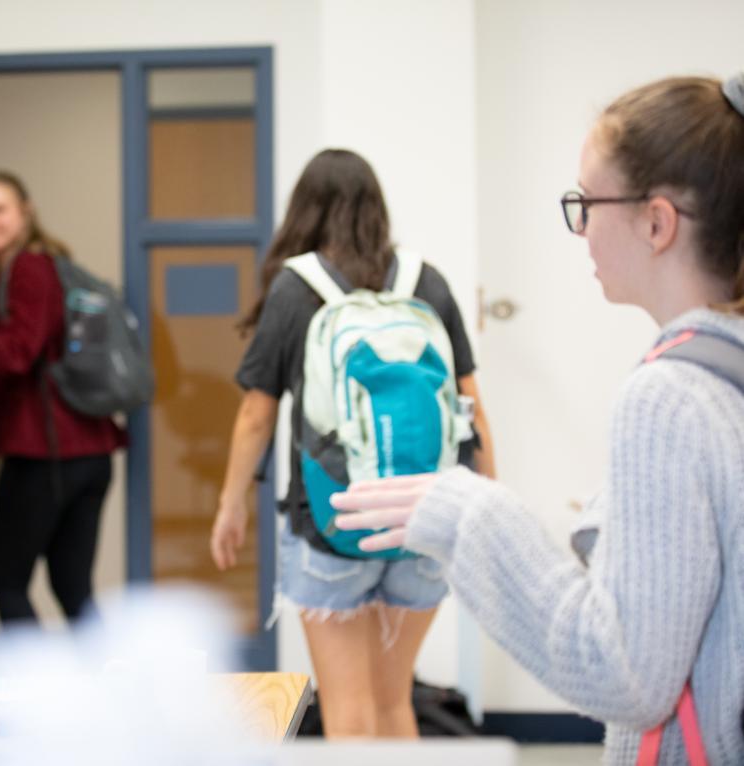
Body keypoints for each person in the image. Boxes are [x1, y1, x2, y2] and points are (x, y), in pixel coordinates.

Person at [330, 74, 744, 762]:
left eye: (587, 201)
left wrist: (473, 515)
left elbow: (625, 677)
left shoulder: (666, 398)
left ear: (657, 222)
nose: (580, 226)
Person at [209, 148, 495, 738]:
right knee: (395, 705)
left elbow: (256, 416)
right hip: (424, 521)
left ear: (304, 211)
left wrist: (231, 503)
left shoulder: (296, 287)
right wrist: (486, 507)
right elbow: (472, 408)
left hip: (332, 522)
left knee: (349, 710)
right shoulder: (426, 281)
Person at [0, 171, 124, 626]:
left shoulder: (30, 268)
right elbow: (33, 364)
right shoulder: (38, 268)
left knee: (9, 583)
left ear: (24, 214)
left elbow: (17, 352)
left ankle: (38, 694)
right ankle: (98, 693)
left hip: (44, 458)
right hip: (87, 453)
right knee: (73, 589)